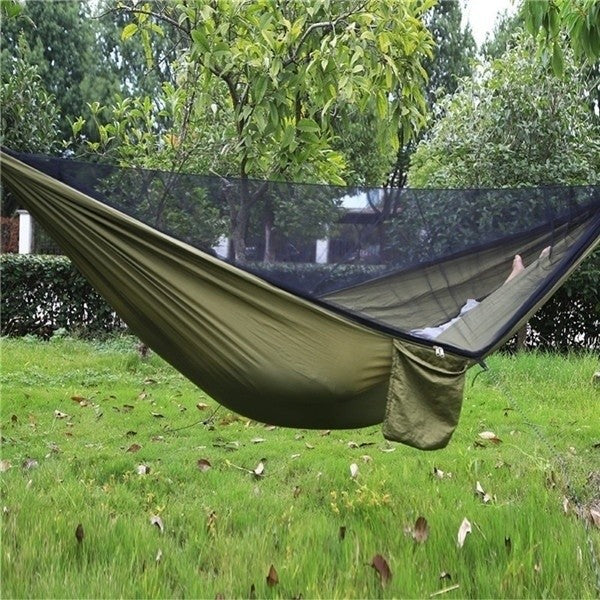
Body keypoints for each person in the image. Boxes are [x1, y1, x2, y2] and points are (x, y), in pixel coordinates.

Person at [411, 247, 551, 340]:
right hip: (428, 341)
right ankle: (529, 275)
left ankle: (526, 276)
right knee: (466, 326)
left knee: (465, 324)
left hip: (423, 340)